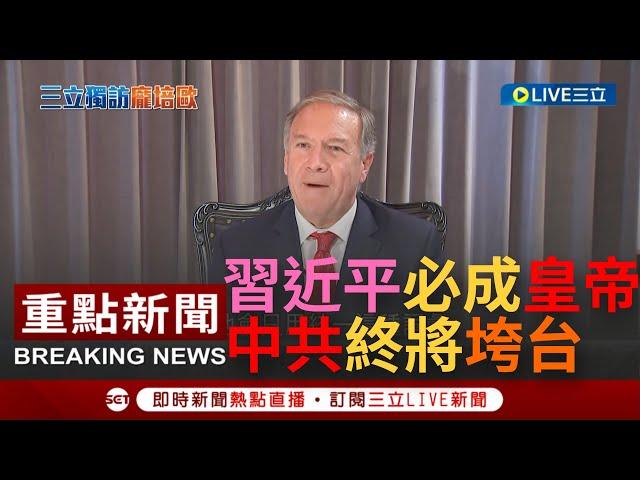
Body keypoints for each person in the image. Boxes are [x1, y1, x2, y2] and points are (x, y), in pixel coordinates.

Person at [209, 89, 443, 331]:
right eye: (303, 145)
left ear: (364, 164)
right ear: (286, 160)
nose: (316, 163)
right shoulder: (236, 247)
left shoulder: (415, 244)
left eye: (335, 148)